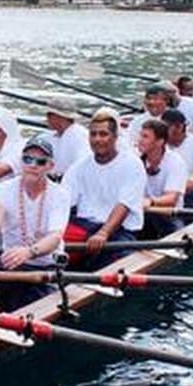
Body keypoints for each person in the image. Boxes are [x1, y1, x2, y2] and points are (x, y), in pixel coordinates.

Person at [0, 136, 70, 312]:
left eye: (40, 161)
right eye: (27, 159)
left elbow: (55, 237)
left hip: (45, 267)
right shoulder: (2, 191)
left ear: (50, 166)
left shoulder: (60, 195)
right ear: (21, 161)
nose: (33, 165)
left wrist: (29, 252)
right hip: (9, 265)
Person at [62, 108, 146, 270]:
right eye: (93, 134)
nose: (97, 139)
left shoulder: (132, 164)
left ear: (115, 137)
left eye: (103, 134)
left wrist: (103, 233)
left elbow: (124, 205)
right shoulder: (79, 166)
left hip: (118, 232)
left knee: (117, 261)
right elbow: (63, 201)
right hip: (84, 227)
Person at [136, 118, 189, 238]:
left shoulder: (176, 162)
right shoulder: (134, 159)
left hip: (168, 214)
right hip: (141, 213)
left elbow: (171, 199)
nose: (139, 140)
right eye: (140, 136)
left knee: (177, 239)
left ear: (160, 142)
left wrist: (150, 202)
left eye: (145, 137)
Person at [162, 109, 193, 209]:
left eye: (166, 127)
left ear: (179, 127)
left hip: (192, 192)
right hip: (166, 194)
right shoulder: (160, 143)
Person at [44, 97, 88, 176]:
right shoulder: (48, 136)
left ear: (59, 117)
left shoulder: (80, 136)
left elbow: (82, 168)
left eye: (49, 115)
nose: (46, 118)